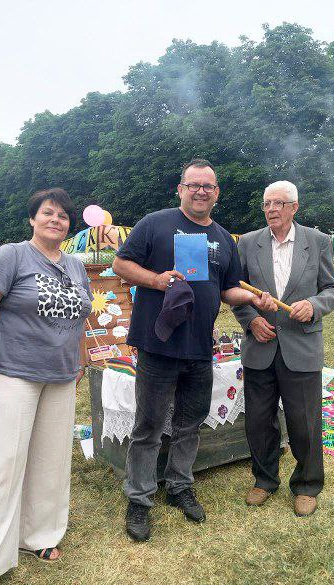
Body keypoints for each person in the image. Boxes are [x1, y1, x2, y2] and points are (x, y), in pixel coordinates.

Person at [113, 158, 276, 542]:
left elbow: (227, 289)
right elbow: (121, 263)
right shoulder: (156, 223)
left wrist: (257, 298)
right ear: (181, 189)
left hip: (201, 348)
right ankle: (139, 498)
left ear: (217, 193)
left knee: (189, 424)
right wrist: (156, 279)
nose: (201, 191)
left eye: (208, 186)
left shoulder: (222, 237)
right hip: (158, 345)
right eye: (194, 185)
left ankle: (180, 486)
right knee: (149, 426)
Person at [0, 188, 92, 585]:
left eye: (63, 215)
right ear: (32, 219)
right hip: (13, 373)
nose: (56, 219)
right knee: (4, 464)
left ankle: (40, 535)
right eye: (47, 213)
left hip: (62, 376)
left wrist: (81, 360)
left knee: (51, 461)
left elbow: (81, 316)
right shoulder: (12, 255)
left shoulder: (76, 265)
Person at [232, 181, 334, 517]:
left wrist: (313, 304)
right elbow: (234, 291)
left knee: (304, 422)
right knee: (259, 421)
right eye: (267, 203)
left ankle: (308, 484)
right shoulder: (248, 244)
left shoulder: (318, 242)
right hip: (260, 347)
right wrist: (251, 320)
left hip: (302, 346)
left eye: (279, 203)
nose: (272, 210)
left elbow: (333, 290)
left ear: (295, 207)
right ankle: (264, 480)